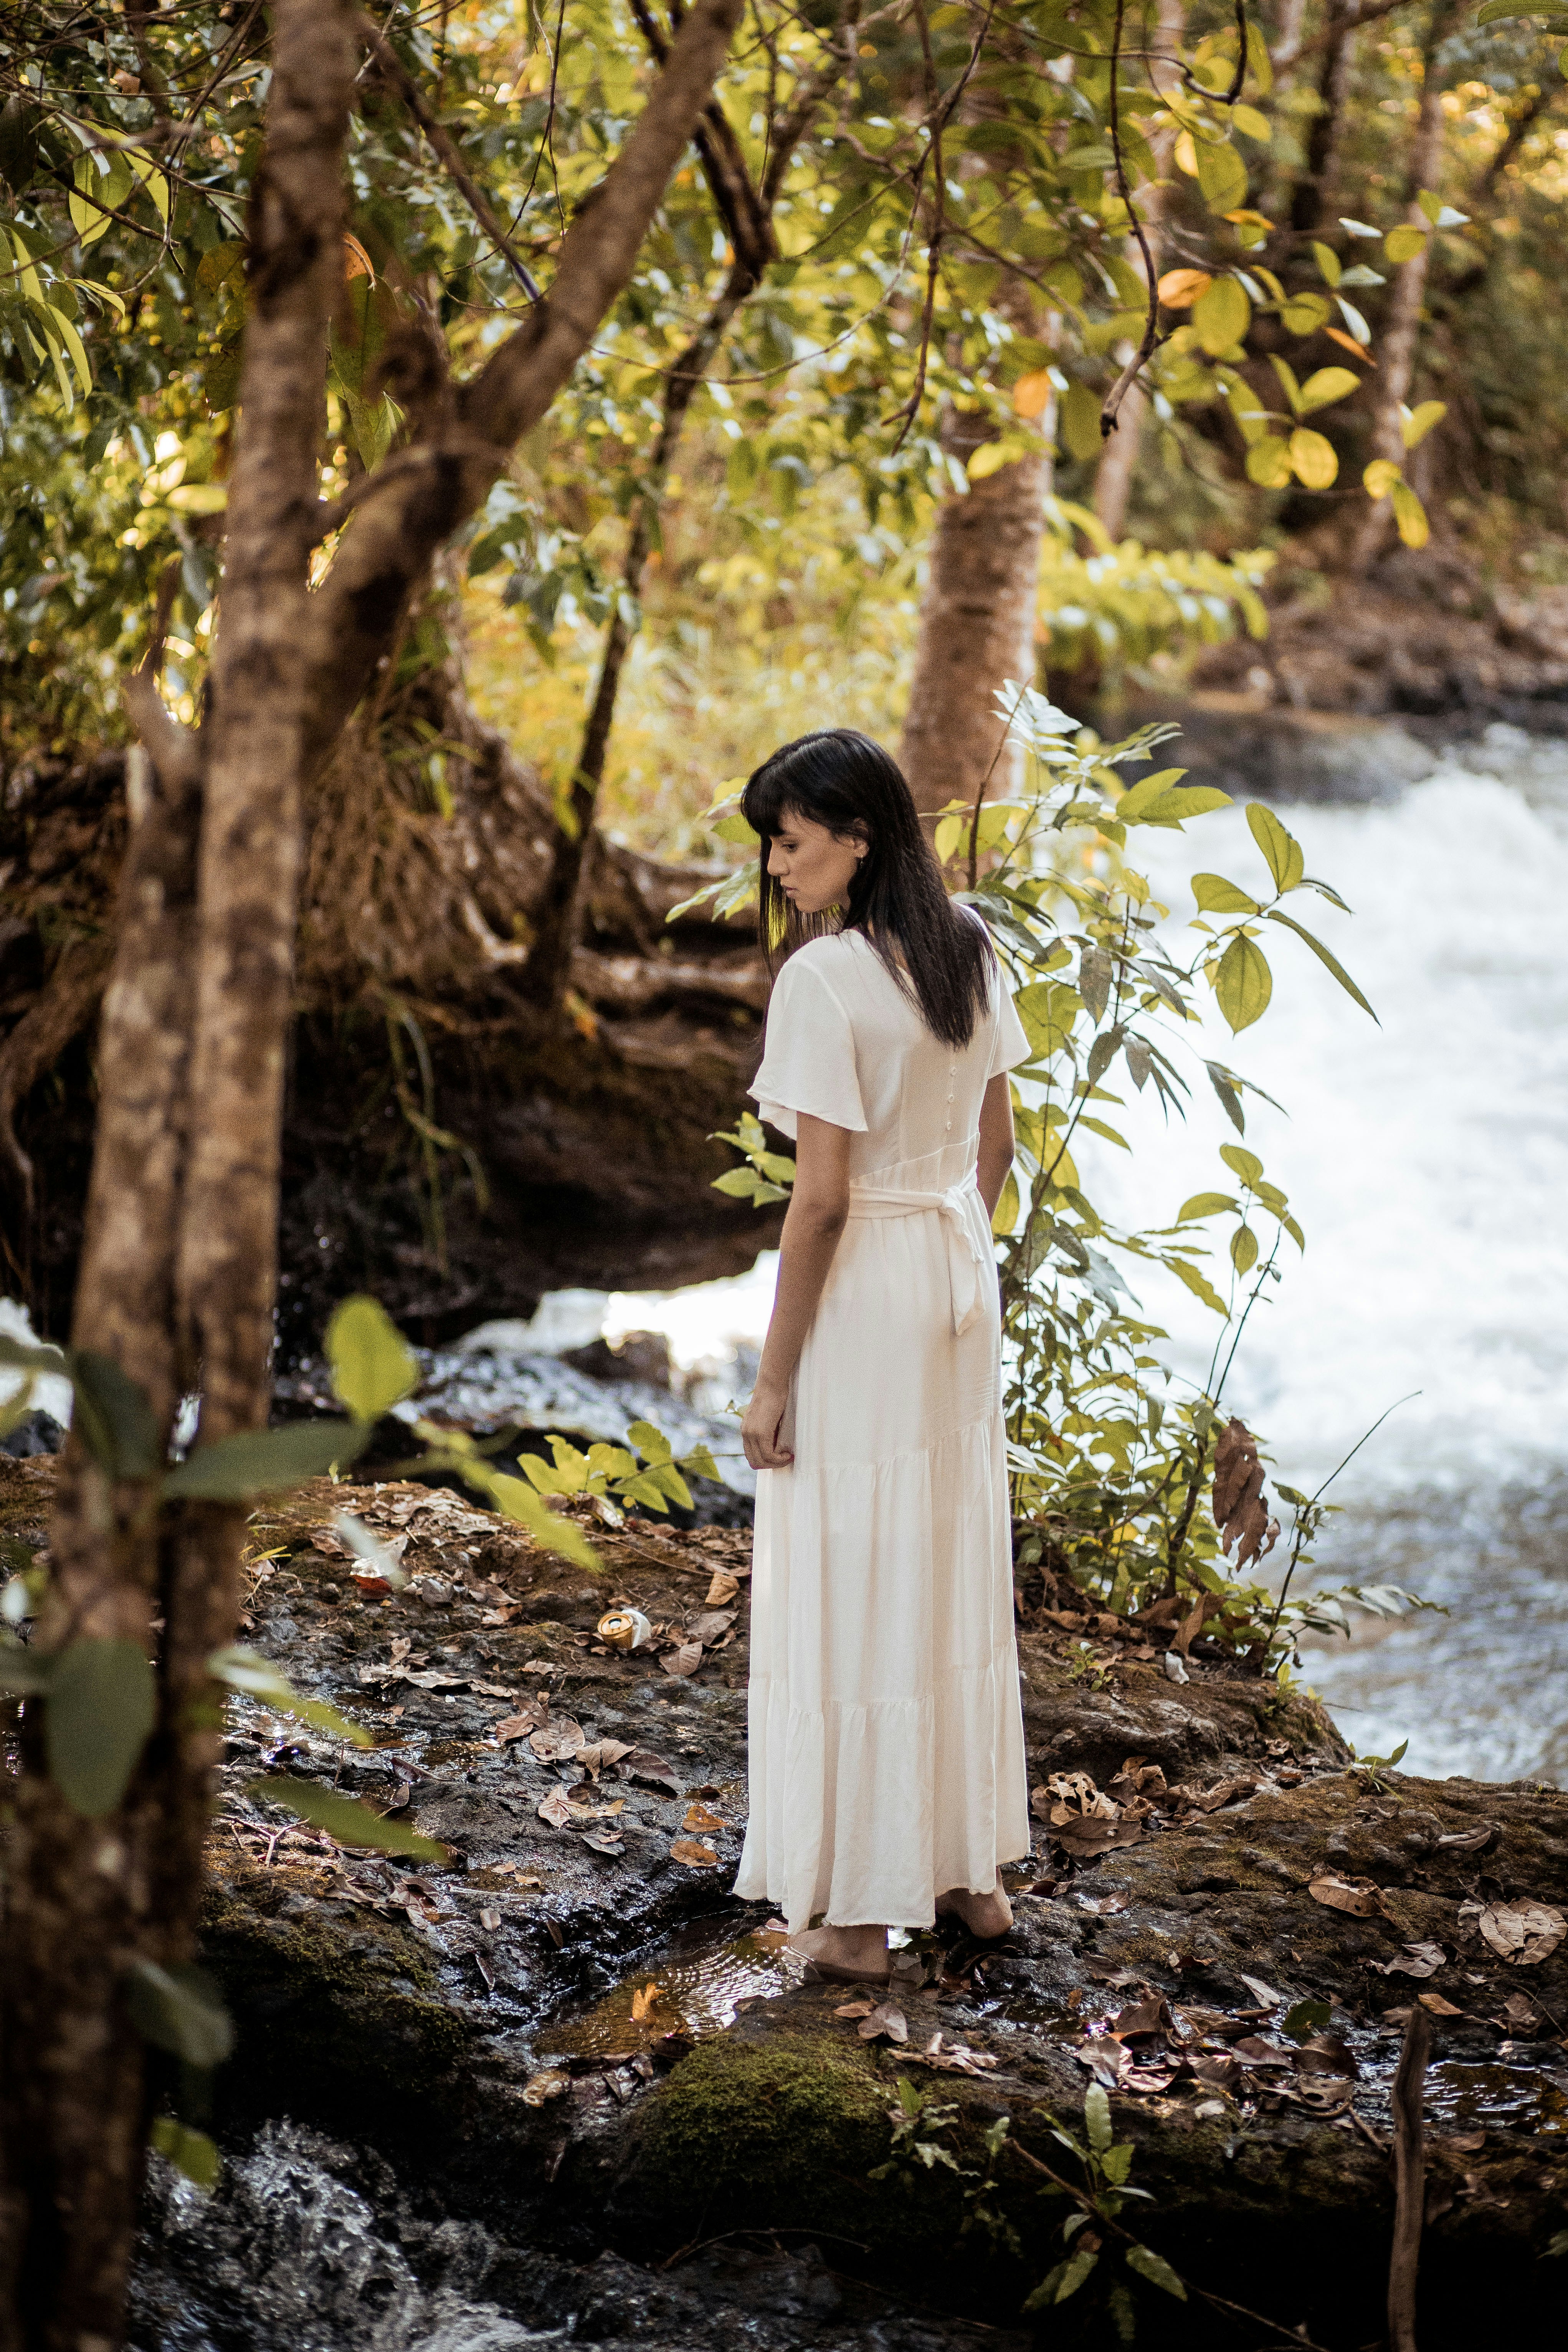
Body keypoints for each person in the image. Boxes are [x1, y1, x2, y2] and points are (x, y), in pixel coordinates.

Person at [732, 727, 1033, 1986]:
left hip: (868, 1294)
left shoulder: (824, 978)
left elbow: (820, 1201)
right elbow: (999, 1149)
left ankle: (856, 1915)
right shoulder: (966, 942)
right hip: (954, 1275)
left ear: (857, 838)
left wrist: (772, 1376)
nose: (779, 868)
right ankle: (968, 1873)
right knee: (947, 1559)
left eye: (791, 843)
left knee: (851, 1574)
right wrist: (948, 1250)